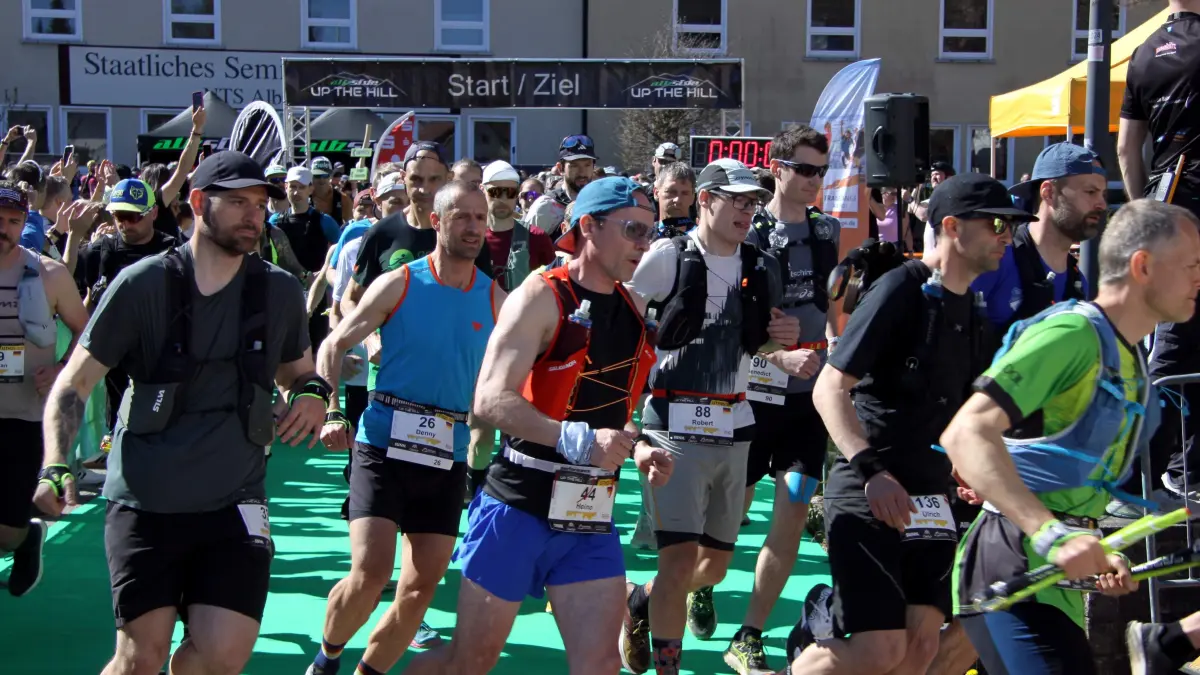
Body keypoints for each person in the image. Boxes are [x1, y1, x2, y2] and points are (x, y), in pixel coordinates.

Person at [33, 151, 326, 675]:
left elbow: (298, 371)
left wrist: (312, 394)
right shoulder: (144, 284)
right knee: (139, 659)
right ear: (196, 202)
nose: (253, 215)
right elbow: (73, 385)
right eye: (236, 202)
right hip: (147, 502)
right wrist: (57, 464)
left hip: (237, 501)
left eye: (259, 203)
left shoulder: (278, 289)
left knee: (220, 656)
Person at [402, 177, 674, 674]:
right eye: (633, 229)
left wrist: (634, 449)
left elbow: (609, 412)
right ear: (588, 226)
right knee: (469, 663)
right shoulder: (542, 294)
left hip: (590, 514)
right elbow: (489, 399)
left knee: (600, 665)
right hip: (518, 506)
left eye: (650, 233)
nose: (644, 244)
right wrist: (579, 440)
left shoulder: (635, 310)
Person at [941, 199, 1200, 674]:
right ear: (1142, 266)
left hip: (1052, 581)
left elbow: (1063, 476)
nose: (1198, 280)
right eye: (1191, 265)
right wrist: (1054, 534)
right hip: (1008, 566)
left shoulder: (1129, 357)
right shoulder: (1072, 333)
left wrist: (1096, 545)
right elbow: (966, 432)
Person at [789, 173, 1028, 675]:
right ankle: (806, 648)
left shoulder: (974, 310)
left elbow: (962, 415)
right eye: (997, 224)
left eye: (1010, 225)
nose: (1008, 235)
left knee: (922, 646)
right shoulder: (900, 288)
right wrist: (872, 470)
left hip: (931, 498)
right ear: (952, 227)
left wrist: (969, 473)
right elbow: (828, 389)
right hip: (869, 486)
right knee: (882, 649)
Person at [307, 181, 504, 675]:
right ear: (436, 222)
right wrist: (333, 410)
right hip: (382, 447)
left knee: (418, 590)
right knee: (370, 576)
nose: (475, 227)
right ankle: (326, 658)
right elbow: (334, 346)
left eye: (481, 218)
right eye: (462, 216)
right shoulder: (401, 282)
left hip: (447, 455)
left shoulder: (496, 297)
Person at [621, 159, 799, 675]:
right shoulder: (667, 257)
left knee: (714, 567)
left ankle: (641, 602)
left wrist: (780, 344)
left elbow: (757, 343)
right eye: (737, 200)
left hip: (735, 428)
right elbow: (624, 323)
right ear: (705, 200)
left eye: (753, 201)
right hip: (671, 426)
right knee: (678, 560)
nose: (749, 210)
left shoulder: (763, 265)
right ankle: (668, 666)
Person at [726, 125, 841, 675]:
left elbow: (832, 307)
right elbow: (728, 317)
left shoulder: (826, 230)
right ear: (777, 167)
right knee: (725, 525)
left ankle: (750, 632)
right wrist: (772, 345)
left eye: (821, 170)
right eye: (804, 169)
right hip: (749, 395)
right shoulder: (749, 229)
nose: (814, 181)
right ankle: (667, 593)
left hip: (806, 401)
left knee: (793, 511)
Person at [1118, 1, 1200, 509]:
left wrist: (1141, 211)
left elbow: (1128, 148)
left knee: (1171, 343)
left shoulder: (1142, 52)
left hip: (1166, 207)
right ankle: (1178, 470)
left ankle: (1151, 472)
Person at [0, 181, 88, 597]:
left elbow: (86, 334)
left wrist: (59, 367)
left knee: (5, 530)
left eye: (13, 221)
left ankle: (26, 538)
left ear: (25, 224)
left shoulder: (49, 274)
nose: (5, 228)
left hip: (25, 416)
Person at [972, 143, 1104, 332]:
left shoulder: (1077, 280)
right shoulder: (998, 258)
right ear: (1048, 193)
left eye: (1103, 193)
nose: (1101, 204)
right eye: (1091, 192)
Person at [481, 160, 555, 292]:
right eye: (495, 192)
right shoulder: (471, 237)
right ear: (483, 190)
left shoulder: (537, 238)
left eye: (510, 192)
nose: (503, 199)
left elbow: (553, 289)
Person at [526, 135, 597, 237]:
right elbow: (523, 250)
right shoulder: (546, 207)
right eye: (574, 165)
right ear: (560, 168)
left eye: (587, 165)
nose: (582, 172)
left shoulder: (600, 204)